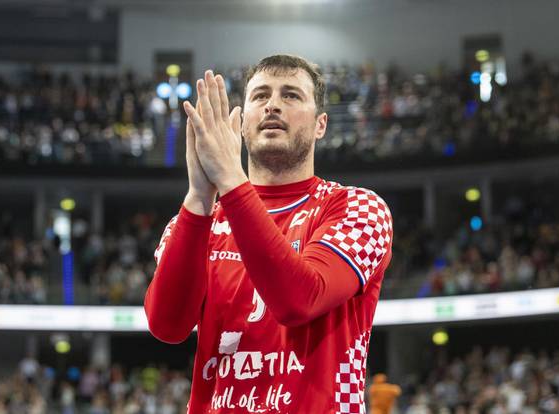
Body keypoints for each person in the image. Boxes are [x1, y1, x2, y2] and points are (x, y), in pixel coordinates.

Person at [144, 55, 393, 413]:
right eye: (260, 96)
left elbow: (299, 300)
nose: (273, 104)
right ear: (242, 123)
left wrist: (229, 178)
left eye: (291, 95)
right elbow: (167, 326)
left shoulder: (357, 208)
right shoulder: (197, 220)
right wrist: (199, 196)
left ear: (321, 124)